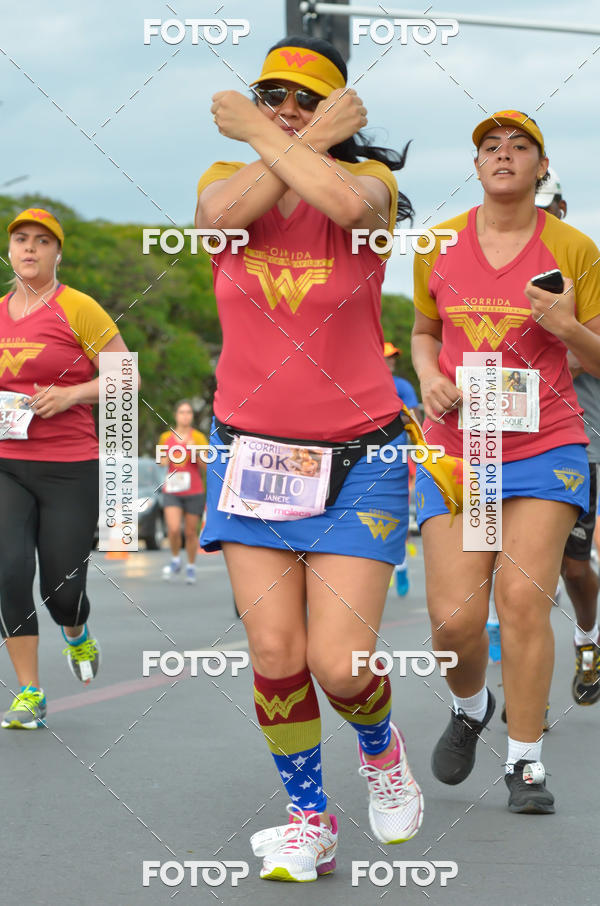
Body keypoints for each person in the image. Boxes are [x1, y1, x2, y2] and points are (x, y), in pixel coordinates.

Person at [195, 35, 423, 882]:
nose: (287, 109)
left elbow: (354, 209)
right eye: (273, 96)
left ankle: (381, 748)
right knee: (278, 656)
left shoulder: (370, 184)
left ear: (336, 112)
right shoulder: (225, 187)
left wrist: (286, 136)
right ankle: (308, 817)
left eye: (308, 99)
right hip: (249, 455)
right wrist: (284, 139)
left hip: (358, 456)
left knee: (341, 663)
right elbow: (217, 224)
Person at [412, 111, 600, 814]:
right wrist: (428, 372)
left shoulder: (575, 248)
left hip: (544, 441)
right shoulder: (437, 243)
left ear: (541, 169)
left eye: (520, 147)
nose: (503, 155)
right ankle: (470, 706)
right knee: (455, 621)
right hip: (460, 445)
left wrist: (568, 327)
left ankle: (526, 763)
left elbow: (596, 359)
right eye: (490, 146)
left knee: (523, 602)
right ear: (477, 166)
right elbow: (424, 329)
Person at [0, 208, 135, 728]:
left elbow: (127, 378)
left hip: (69, 466)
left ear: (58, 252)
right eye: (20, 240)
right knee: (10, 572)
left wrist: (73, 394)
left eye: (41, 241)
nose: (29, 249)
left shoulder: (78, 308)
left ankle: (76, 633)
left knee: (63, 591)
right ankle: (29, 692)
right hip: (7, 464)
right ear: (10, 250)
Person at [531, 169, 600, 704]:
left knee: (573, 567)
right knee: (521, 572)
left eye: (549, 211)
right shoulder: (494, 272)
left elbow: (582, 359)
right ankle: (521, 695)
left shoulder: (585, 268)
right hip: (504, 444)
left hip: (578, 441)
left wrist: (564, 337)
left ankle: (587, 637)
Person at [158, 400, 208, 584]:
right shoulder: (166, 437)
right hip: (172, 490)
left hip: (194, 490)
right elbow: (161, 461)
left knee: (190, 533)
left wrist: (195, 451)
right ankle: (176, 559)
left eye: (188, 412)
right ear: (176, 415)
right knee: (172, 529)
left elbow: (206, 466)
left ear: (192, 416)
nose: (185, 416)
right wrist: (164, 459)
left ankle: (191, 566)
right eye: (181, 412)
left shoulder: (199, 437)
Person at [383, 341, 419, 595]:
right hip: (363, 458)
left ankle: (402, 564)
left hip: (397, 457)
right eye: (387, 357)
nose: (391, 361)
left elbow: (412, 417)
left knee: (398, 515)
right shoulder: (362, 381)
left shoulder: (402, 386)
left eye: (394, 357)